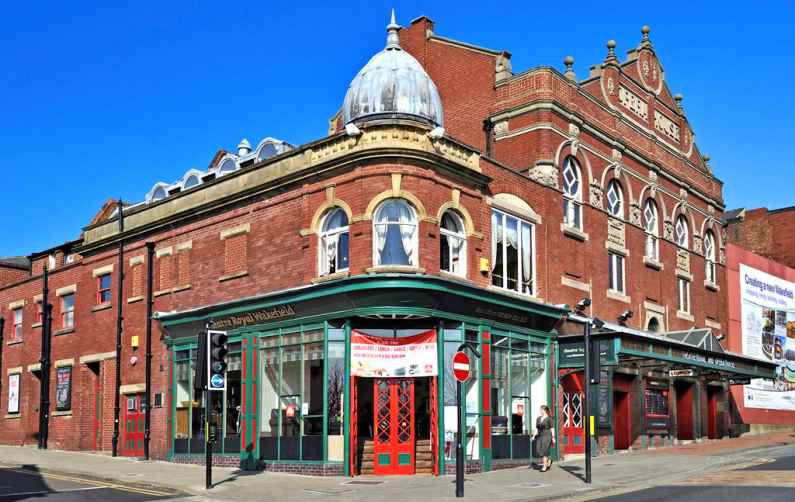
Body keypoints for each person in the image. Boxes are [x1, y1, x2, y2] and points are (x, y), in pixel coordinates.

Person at [534, 405, 555, 472]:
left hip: (547, 435)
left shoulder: (549, 419)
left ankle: (544, 467)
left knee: (544, 451)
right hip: (540, 435)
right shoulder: (538, 419)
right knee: (538, 450)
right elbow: (536, 428)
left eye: (541, 410)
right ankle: (549, 461)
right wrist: (534, 436)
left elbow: (552, 428)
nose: (540, 411)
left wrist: (553, 437)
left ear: (545, 410)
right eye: (540, 410)